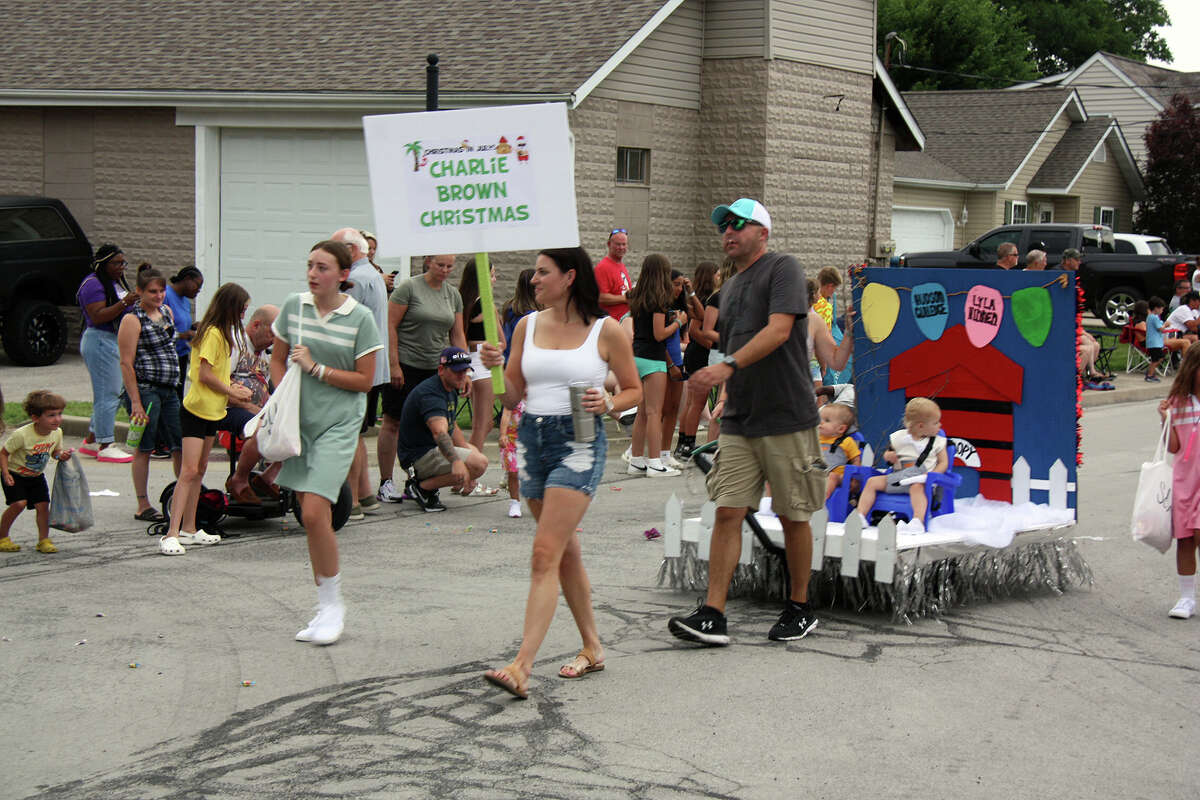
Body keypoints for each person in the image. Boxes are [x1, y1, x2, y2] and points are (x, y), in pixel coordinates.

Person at [667, 197, 852, 647]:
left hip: (788, 417)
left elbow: (779, 330)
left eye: (738, 224)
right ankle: (713, 613)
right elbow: (737, 345)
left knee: (793, 515)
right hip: (741, 420)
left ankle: (800, 607)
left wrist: (724, 367)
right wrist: (723, 391)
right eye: (723, 226)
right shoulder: (728, 289)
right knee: (728, 511)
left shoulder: (783, 267)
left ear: (762, 232)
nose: (728, 231)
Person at [479, 246, 640, 699]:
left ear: (570, 277)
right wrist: (494, 370)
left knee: (543, 552)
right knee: (564, 550)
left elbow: (634, 391)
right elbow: (512, 397)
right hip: (533, 437)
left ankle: (521, 665)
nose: (534, 280)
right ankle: (593, 647)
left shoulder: (605, 331)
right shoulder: (527, 326)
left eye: (542, 273)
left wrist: (608, 403)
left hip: (580, 440)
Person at [272, 240, 382, 645]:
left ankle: (335, 606)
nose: (313, 274)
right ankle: (323, 605)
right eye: (309, 266)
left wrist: (316, 368)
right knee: (307, 513)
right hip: (298, 422)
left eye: (322, 267)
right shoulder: (293, 307)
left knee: (317, 511)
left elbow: (365, 381)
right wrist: (281, 397)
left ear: (343, 275)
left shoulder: (361, 318)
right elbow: (278, 358)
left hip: (339, 423)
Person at [160, 283, 253, 556]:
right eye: (243, 308)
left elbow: (220, 377)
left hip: (214, 411)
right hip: (196, 411)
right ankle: (171, 533)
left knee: (199, 470)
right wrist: (231, 391)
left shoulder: (225, 335)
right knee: (188, 471)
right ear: (231, 306)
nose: (244, 313)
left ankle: (190, 528)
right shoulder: (212, 333)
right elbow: (205, 375)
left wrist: (234, 394)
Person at [377, 254, 467, 504]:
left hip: (436, 369)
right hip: (406, 364)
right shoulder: (409, 287)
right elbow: (390, 325)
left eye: (450, 266)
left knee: (435, 425)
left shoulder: (453, 295)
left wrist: (465, 370)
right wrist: (393, 364)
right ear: (428, 261)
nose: (445, 270)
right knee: (392, 422)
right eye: (440, 265)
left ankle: (417, 480)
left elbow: (457, 334)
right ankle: (385, 481)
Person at [117, 266, 183, 521]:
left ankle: (185, 493)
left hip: (169, 390)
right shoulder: (132, 320)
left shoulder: (166, 312)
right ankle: (142, 503)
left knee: (180, 442)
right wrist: (136, 402)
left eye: (161, 290)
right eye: (152, 291)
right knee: (144, 446)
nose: (158, 296)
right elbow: (126, 362)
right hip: (145, 390)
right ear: (139, 292)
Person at [333, 227, 390, 520]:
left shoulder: (356, 280)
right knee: (356, 433)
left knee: (350, 434)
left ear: (351, 250)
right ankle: (366, 494)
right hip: (373, 367)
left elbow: (347, 325)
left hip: (358, 368)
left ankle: (352, 498)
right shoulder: (373, 276)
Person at [396, 347, 490, 512]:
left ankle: (423, 485)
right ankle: (422, 488)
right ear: (441, 370)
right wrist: (457, 462)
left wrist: (466, 451)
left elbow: (451, 426)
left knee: (475, 455)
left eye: (464, 371)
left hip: (428, 451)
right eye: (456, 371)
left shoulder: (448, 387)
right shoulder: (431, 395)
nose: (462, 375)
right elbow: (439, 433)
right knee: (478, 464)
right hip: (417, 457)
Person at [76, 244, 136, 464]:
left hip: (112, 341)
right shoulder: (93, 284)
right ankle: (105, 444)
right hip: (100, 340)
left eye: (123, 263)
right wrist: (124, 303)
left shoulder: (111, 283)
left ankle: (92, 439)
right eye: (116, 263)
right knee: (108, 395)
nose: (121, 267)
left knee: (113, 392)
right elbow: (98, 315)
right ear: (103, 264)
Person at [626, 254, 685, 478]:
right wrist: (679, 322)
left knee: (642, 412)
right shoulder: (659, 300)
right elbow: (659, 334)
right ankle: (654, 462)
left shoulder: (635, 297)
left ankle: (636, 460)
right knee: (653, 412)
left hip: (636, 356)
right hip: (653, 360)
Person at [853, 397, 949, 533]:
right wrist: (888, 456)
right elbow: (889, 454)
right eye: (935, 423)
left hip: (922, 481)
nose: (939, 425)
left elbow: (943, 462)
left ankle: (917, 521)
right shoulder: (899, 437)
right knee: (872, 482)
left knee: (916, 487)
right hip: (899, 477)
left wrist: (932, 476)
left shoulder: (938, 442)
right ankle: (860, 515)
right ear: (921, 426)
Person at [221, 305, 280, 504]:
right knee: (262, 426)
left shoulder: (264, 354)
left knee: (297, 426)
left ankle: (268, 477)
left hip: (255, 409)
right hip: (229, 408)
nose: (274, 340)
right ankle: (239, 479)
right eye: (272, 334)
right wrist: (252, 408)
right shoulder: (235, 345)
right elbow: (221, 384)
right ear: (256, 325)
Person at [0, 391, 73, 553]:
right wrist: (5, 474)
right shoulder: (21, 435)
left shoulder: (57, 432)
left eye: (60, 414)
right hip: (15, 474)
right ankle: (2, 537)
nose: (57, 419)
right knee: (19, 504)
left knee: (43, 506)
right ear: (35, 418)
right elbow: (3, 453)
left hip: (36, 476)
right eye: (51, 415)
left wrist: (62, 455)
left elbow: (55, 451)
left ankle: (43, 540)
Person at [1158, 346, 1200, 619]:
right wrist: (1165, 420)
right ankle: (1186, 598)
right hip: (1186, 482)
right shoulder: (1177, 402)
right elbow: (1173, 447)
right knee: (1185, 541)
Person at [459, 256, 506, 479]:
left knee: (482, 423)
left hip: (470, 364)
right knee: (482, 424)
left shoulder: (463, 301)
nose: (494, 279)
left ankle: (465, 474)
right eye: (492, 274)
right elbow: (501, 340)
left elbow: (462, 337)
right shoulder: (485, 304)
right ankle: (469, 477)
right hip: (483, 365)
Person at [498, 268, 539, 518]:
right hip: (525, 364)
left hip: (510, 363)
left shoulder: (509, 308)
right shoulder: (534, 315)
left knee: (511, 406)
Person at [674, 262, 719, 461]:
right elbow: (693, 330)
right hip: (700, 355)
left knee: (693, 403)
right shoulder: (706, 300)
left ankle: (683, 443)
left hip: (696, 354)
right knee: (697, 403)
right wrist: (712, 346)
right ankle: (687, 444)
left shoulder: (699, 298)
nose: (719, 277)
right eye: (717, 275)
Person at [163, 266, 204, 397]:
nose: (198, 290)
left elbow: (179, 324)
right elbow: (160, 326)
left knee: (178, 397)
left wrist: (193, 327)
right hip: (167, 358)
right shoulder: (165, 296)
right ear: (186, 279)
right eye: (197, 285)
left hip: (181, 355)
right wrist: (183, 335)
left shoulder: (185, 301)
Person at [818, 403, 861, 499]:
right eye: (819, 419)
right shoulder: (815, 439)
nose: (821, 423)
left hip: (838, 475)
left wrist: (854, 476)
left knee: (832, 476)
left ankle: (823, 499)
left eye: (827, 420)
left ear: (841, 428)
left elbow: (856, 459)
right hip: (817, 473)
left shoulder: (846, 442)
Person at [594, 228, 632, 319]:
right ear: (609, 244)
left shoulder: (621, 265)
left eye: (624, 244)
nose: (621, 247)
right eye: (618, 244)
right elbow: (601, 297)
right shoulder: (602, 267)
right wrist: (626, 298)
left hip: (623, 323)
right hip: (611, 324)